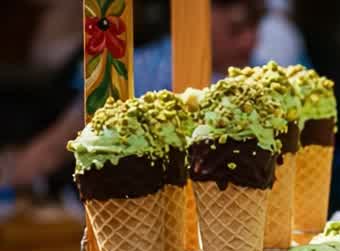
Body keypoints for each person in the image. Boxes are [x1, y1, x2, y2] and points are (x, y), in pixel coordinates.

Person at [2, 0, 268, 189]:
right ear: (194, 18)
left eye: (255, 28)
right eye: (235, 29)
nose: (249, 41)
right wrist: (15, 173)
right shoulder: (136, 71)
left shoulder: (260, 79)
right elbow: (57, 145)